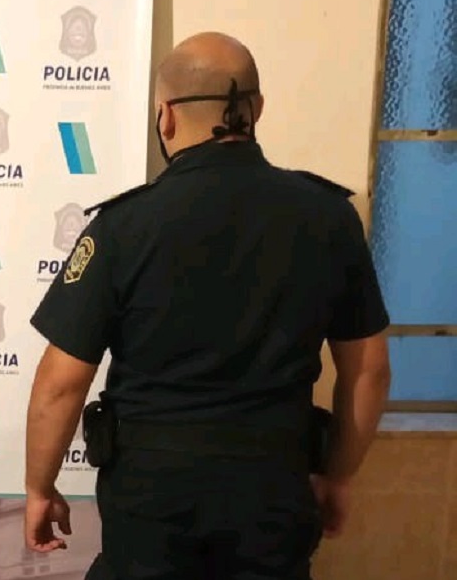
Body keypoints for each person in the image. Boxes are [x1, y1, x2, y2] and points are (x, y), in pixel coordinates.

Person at [22, 31, 392, 579]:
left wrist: (38, 487)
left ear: (166, 116)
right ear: (256, 110)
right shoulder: (330, 218)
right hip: (273, 490)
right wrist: (338, 475)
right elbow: (369, 372)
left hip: (152, 500)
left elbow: (61, 384)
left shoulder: (123, 226)